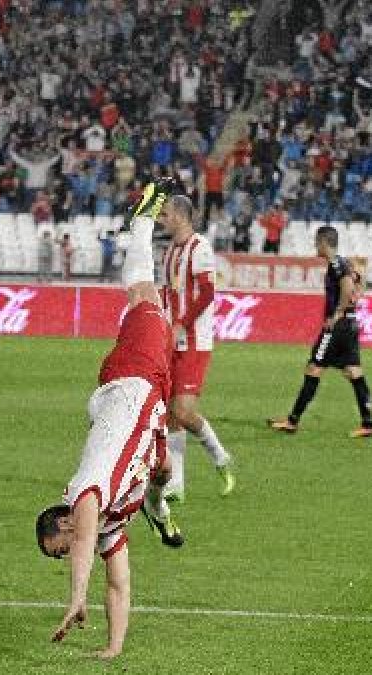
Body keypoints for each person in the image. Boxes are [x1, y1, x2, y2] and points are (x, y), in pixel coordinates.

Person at [35, 181, 184, 661]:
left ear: (63, 522)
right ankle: (161, 499)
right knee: (147, 299)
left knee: (143, 296)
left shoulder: (84, 495)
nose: (66, 556)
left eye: (58, 548)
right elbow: (118, 584)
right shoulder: (108, 525)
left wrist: (76, 598)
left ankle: (141, 218)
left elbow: (82, 546)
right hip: (139, 403)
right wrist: (113, 648)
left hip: (128, 386)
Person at [159, 194, 234, 500]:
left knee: (185, 412)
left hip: (194, 341)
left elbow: (206, 294)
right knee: (171, 416)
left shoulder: (200, 248)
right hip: (171, 340)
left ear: (180, 215)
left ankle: (220, 456)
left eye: (165, 214)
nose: (161, 219)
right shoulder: (169, 252)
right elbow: (167, 294)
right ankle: (176, 484)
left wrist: (182, 324)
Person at [268, 226, 372, 437]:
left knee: (314, 368)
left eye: (317, 243)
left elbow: (346, 286)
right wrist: (354, 301)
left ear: (325, 243)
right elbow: (359, 281)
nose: (315, 246)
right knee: (353, 371)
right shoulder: (345, 263)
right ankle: (367, 424)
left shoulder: (336, 264)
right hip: (350, 325)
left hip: (338, 326)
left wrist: (336, 314)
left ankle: (292, 421)